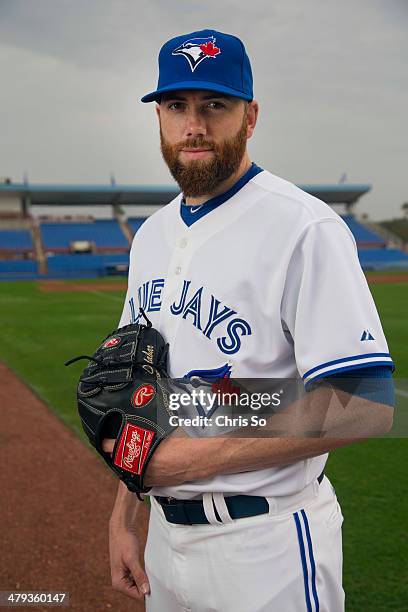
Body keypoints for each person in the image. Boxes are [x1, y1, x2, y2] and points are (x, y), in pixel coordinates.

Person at [106, 29, 395, 611]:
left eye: (215, 105)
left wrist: (191, 459)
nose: (195, 125)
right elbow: (145, 393)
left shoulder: (304, 228)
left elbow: (363, 401)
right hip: (164, 542)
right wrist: (123, 512)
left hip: (268, 547)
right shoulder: (152, 238)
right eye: (176, 106)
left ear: (251, 115)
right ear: (158, 117)